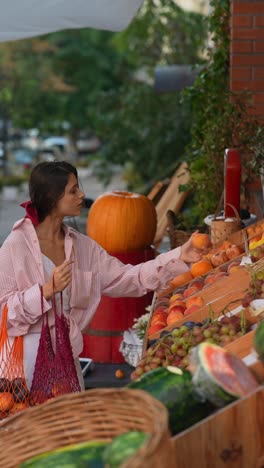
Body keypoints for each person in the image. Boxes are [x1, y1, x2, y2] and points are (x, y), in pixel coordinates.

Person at [0, 161, 205, 390]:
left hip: (67, 367)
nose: (82, 195)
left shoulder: (83, 248)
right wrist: (45, 291)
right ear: (51, 197)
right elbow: (3, 313)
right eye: (73, 190)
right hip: (23, 373)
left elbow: (129, 278)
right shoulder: (15, 246)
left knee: (71, 425)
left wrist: (178, 256)